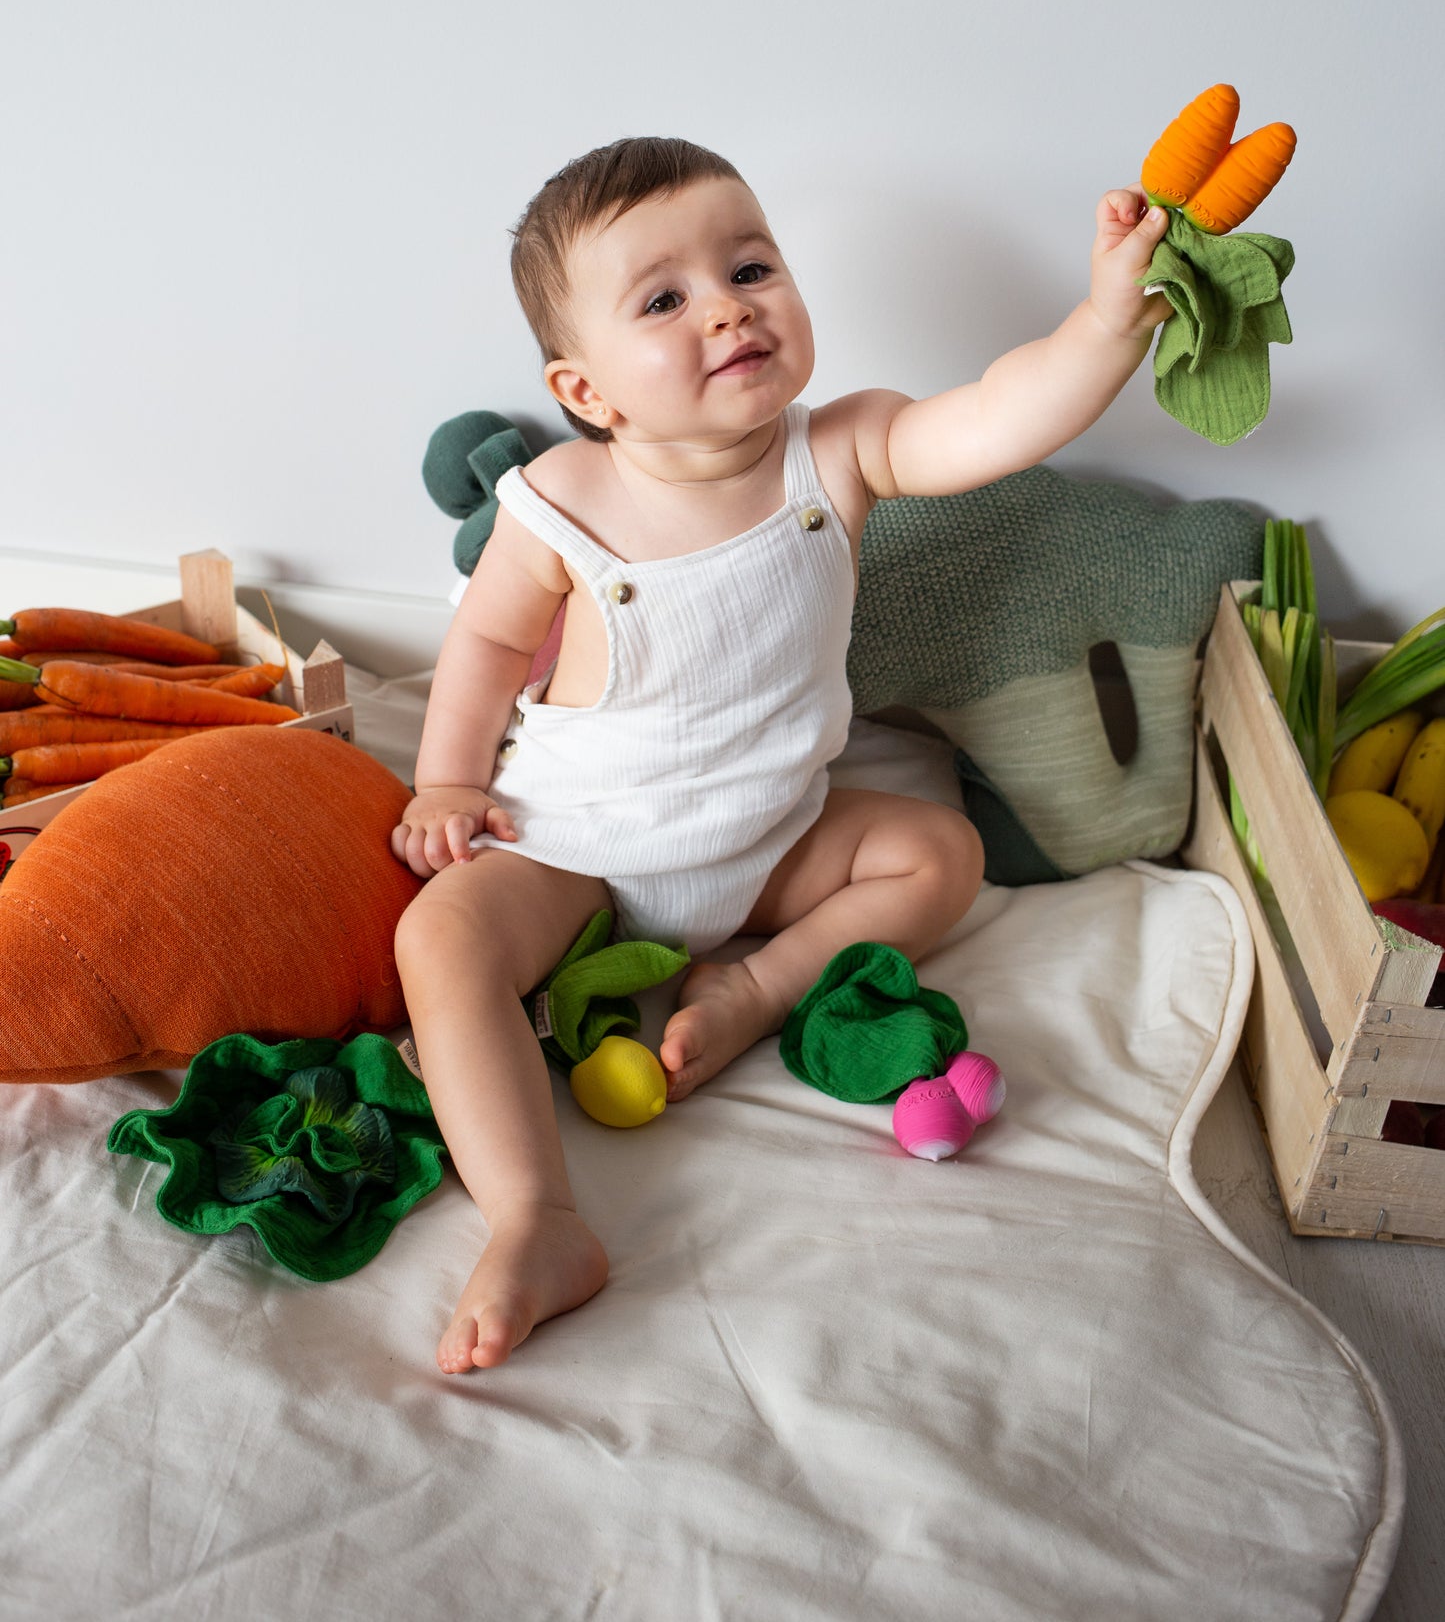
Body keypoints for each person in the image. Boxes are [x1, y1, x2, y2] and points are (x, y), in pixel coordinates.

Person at [391, 137, 1171, 1374]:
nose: (726, 306)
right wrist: (447, 779)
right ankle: (537, 1218)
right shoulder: (561, 494)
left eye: (749, 265)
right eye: (663, 298)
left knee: (936, 849)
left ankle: (761, 987)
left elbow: (992, 419)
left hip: (766, 843)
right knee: (439, 939)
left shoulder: (841, 448)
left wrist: (1102, 322)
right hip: (582, 847)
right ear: (588, 390)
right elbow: (488, 641)